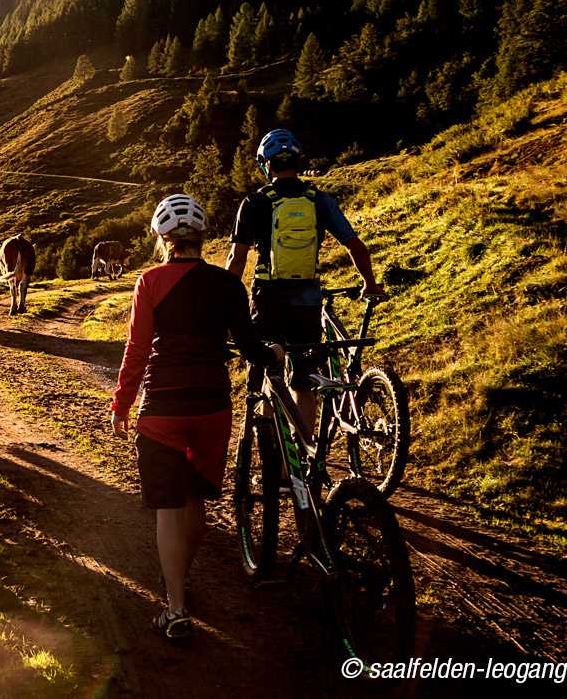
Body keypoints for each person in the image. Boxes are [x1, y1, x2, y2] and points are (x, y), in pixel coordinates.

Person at [111, 193, 278, 641]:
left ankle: (176, 605)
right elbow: (249, 347)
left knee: (168, 509)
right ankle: (180, 583)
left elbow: (137, 350)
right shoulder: (227, 284)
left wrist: (122, 403)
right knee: (195, 501)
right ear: (201, 237)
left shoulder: (149, 282)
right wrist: (273, 353)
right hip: (212, 406)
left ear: (163, 238)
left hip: (162, 407)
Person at [225, 129, 382, 430]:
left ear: (265, 164)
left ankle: (277, 463)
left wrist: (227, 304)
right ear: (299, 160)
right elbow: (355, 246)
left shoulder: (255, 203)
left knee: (268, 377)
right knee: (303, 382)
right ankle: (306, 457)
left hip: (268, 299)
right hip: (308, 301)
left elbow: (237, 259)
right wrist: (370, 284)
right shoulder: (318, 200)